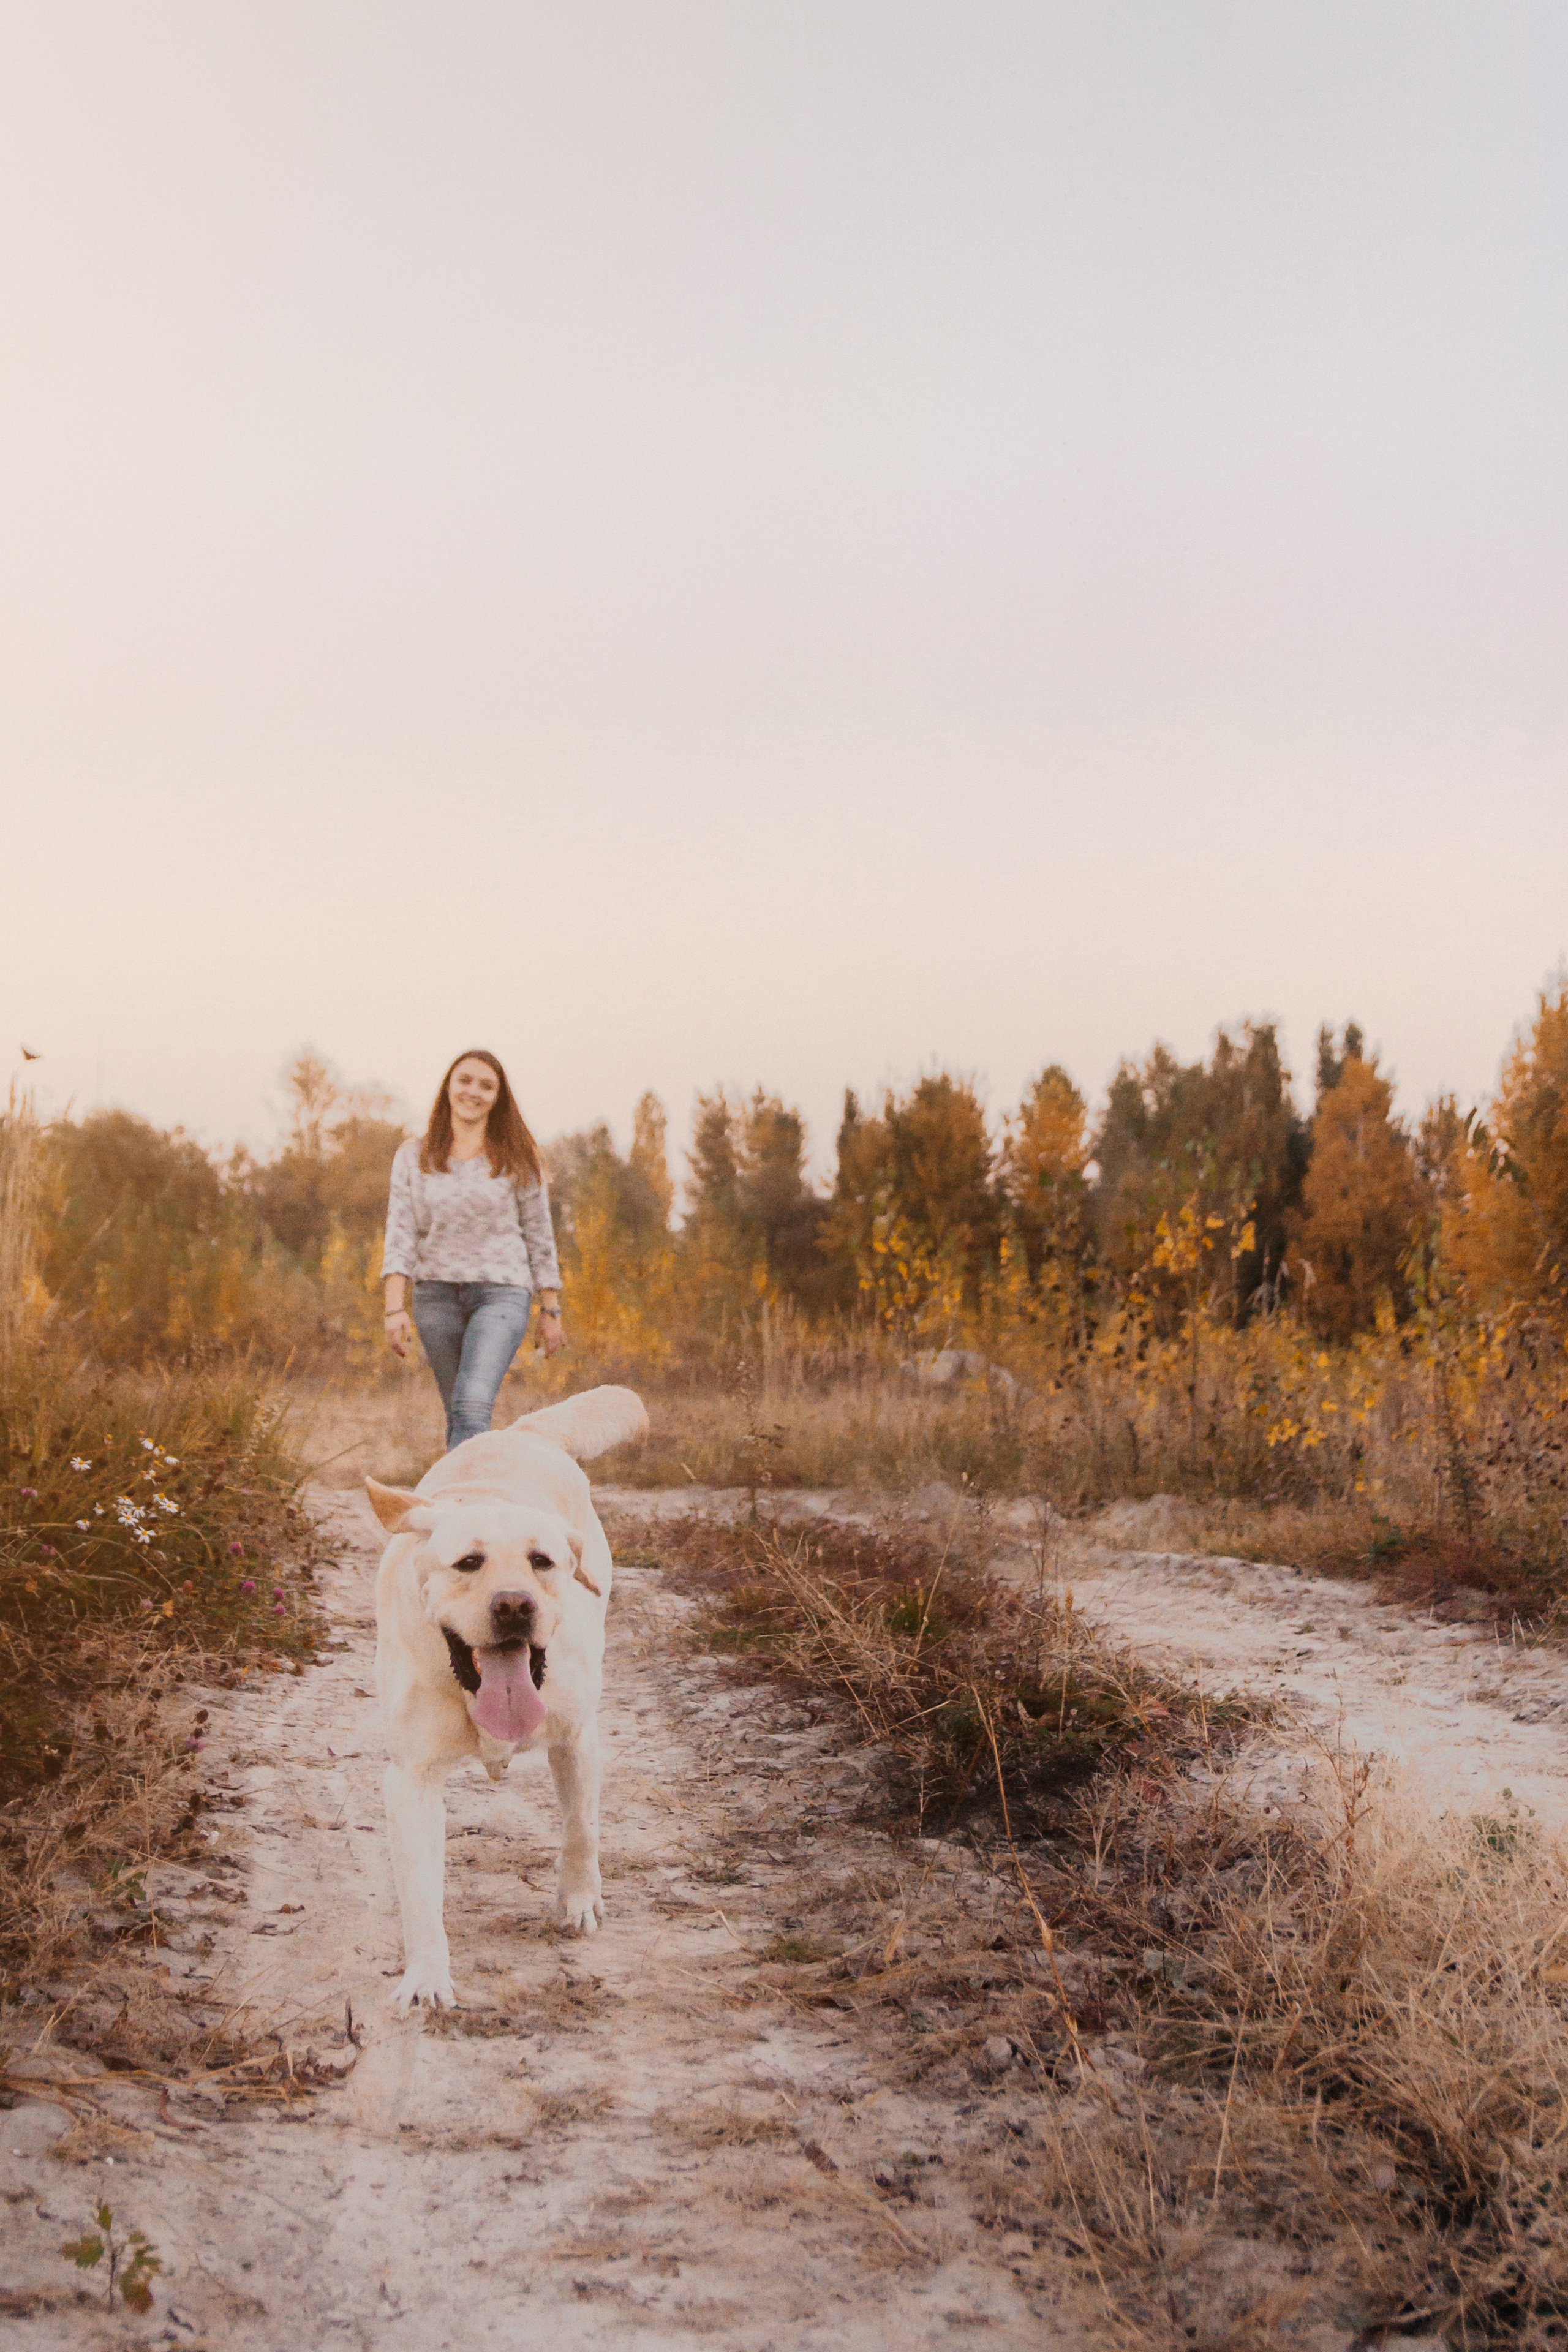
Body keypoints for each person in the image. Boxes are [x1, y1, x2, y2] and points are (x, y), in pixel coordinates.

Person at [382, 1049, 565, 1450]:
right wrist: (394, 1308)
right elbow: (401, 1232)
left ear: (498, 1098)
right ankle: (465, 1503)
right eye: (465, 1080)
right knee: (459, 1414)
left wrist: (550, 1310)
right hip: (436, 1296)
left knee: (471, 1404)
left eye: (487, 1086)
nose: (473, 1092)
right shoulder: (414, 1157)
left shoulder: (519, 1159)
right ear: (448, 1086)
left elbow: (539, 1234)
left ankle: (464, 1506)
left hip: (502, 1293)